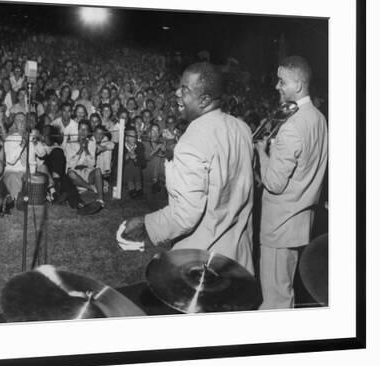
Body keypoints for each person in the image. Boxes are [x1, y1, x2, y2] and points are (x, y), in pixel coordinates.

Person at [121, 62, 255, 274]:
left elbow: (185, 215)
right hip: (238, 259)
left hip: (201, 263)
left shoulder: (192, 139)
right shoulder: (242, 128)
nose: (176, 93)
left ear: (204, 100)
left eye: (185, 89)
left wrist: (146, 225)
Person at [255, 56, 328, 309]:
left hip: (279, 226)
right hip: (300, 223)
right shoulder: (319, 118)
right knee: (285, 292)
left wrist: (262, 153)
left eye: (281, 81)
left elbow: (274, 183)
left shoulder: (292, 126)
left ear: (297, 84)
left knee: (276, 300)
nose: (277, 86)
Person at [65, 120, 105, 209]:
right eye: (81, 129)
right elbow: (70, 165)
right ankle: (89, 187)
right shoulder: (70, 144)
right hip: (76, 174)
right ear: (78, 130)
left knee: (98, 170)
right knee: (70, 173)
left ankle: (100, 199)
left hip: (87, 172)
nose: (83, 132)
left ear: (88, 132)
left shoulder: (91, 143)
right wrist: (80, 150)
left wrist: (86, 149)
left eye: (85, 130)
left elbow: (92, 164)